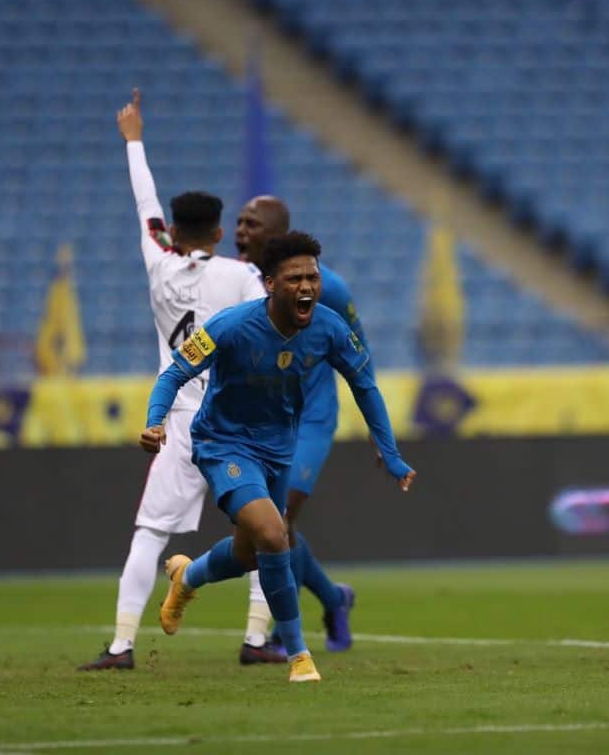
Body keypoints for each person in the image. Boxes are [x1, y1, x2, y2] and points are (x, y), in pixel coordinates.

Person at [142, 231, 415, 682]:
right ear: (270, 284)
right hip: (222, 443)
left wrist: (391, 453)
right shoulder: (231, 326)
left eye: (312, 277)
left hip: (278, 450)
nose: (306, 287)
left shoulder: (328, 329)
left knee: (250, 553)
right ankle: (298, 655)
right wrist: (155, 421)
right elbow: (174, 373)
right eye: (294, 279)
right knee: (275, 535)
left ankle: (186, 578)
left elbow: (365, 387)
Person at [79, 90, 266, 671]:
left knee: (149, 533)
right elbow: (270, 330)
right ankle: (260, 640)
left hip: (181, 422)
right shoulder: (241, 275)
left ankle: (120, 646)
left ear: (178, 231)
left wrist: (134, 140)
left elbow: (146, 206)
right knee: (265, 527)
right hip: (235, 423)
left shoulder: (158, 262)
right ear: (217, 232)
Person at [232, 196, 371, 662]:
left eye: (249, 224)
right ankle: (333, 599)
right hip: (261, 420)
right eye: (237, 223)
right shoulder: (234, 281)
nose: (239, 232)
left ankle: (271, 631)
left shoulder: (325, 286)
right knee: (274, 527)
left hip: (310, 417)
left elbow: (359, 352)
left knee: (276, 519)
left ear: (273, 233)